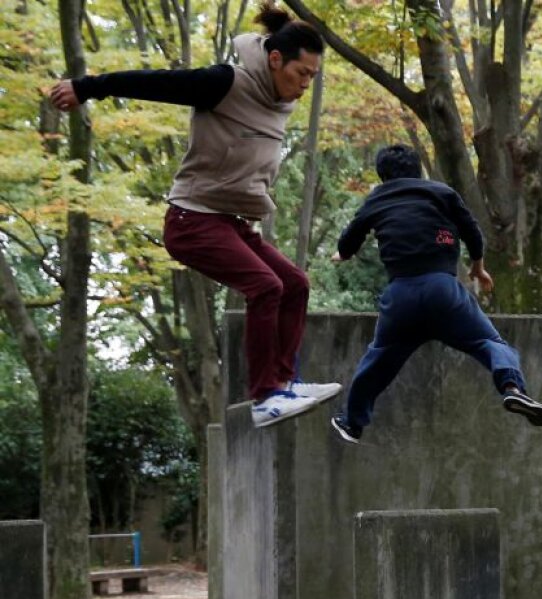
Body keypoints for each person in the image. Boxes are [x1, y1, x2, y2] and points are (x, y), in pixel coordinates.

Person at [48, 2, 341, 429]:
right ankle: (265, 397)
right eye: (301, 75)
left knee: (295, 284)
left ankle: (284, 383)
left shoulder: (279, 104)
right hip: (193, 221)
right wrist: (88, 87)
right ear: (275, 60)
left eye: (313, 78)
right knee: (265, 286)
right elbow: (158, 83)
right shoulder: (225, 83)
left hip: (234, 224)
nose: (304, 87)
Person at [328, 144, 542, 444]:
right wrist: (478, 267)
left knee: (377, 361)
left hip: (401, 297)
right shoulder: (441, 192)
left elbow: (347, 242)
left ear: (383, 176)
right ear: (418, 169)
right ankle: (512, 389)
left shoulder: (377, 199)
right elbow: (472, 231)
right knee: (489, 342)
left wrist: (342, 254)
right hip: (443, 291)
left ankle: (352, 422)